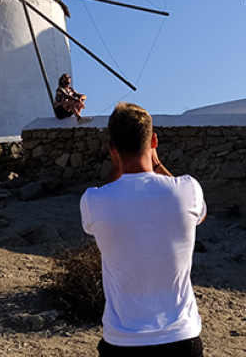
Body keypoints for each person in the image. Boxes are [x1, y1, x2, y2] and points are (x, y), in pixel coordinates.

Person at [79, 102, 207, 356]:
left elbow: (113, 197)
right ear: (154, 141)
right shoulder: (188, 189)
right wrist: (157, 165)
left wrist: (120, 166)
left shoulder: (94, 201)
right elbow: (200, 216)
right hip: (181, 338)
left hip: (122, 341)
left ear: (112, 149)